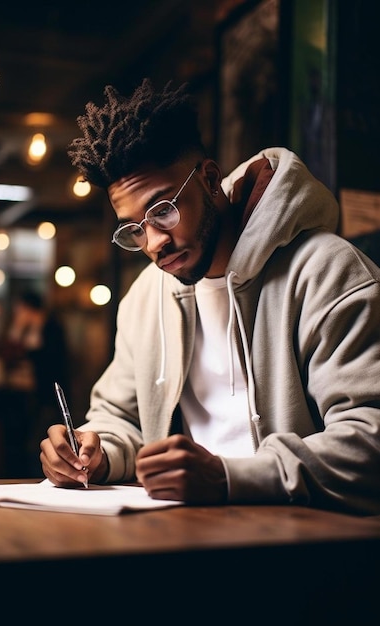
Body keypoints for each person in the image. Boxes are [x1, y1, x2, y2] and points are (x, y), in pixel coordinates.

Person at [40, 78, 380, 515]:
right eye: (134, 228)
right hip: (183, 529)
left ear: (210, 178)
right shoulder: (146, 297)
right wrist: (94, 452)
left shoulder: (328, 272)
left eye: (162, 210)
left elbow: (370, 437)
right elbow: (121, 419)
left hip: (308, 544)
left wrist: (228, 477)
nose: (153, 243)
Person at [0, 290, 70, 476]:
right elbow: (3, 353)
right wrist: (18, 330)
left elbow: (51, 361)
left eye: (22, 308)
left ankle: (34, 476)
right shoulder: (17, 327)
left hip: (43, 396)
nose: (18, 312)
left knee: (37, 441)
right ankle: (14, 475)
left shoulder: (50, 328)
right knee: (14, 442)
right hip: (16, 394)